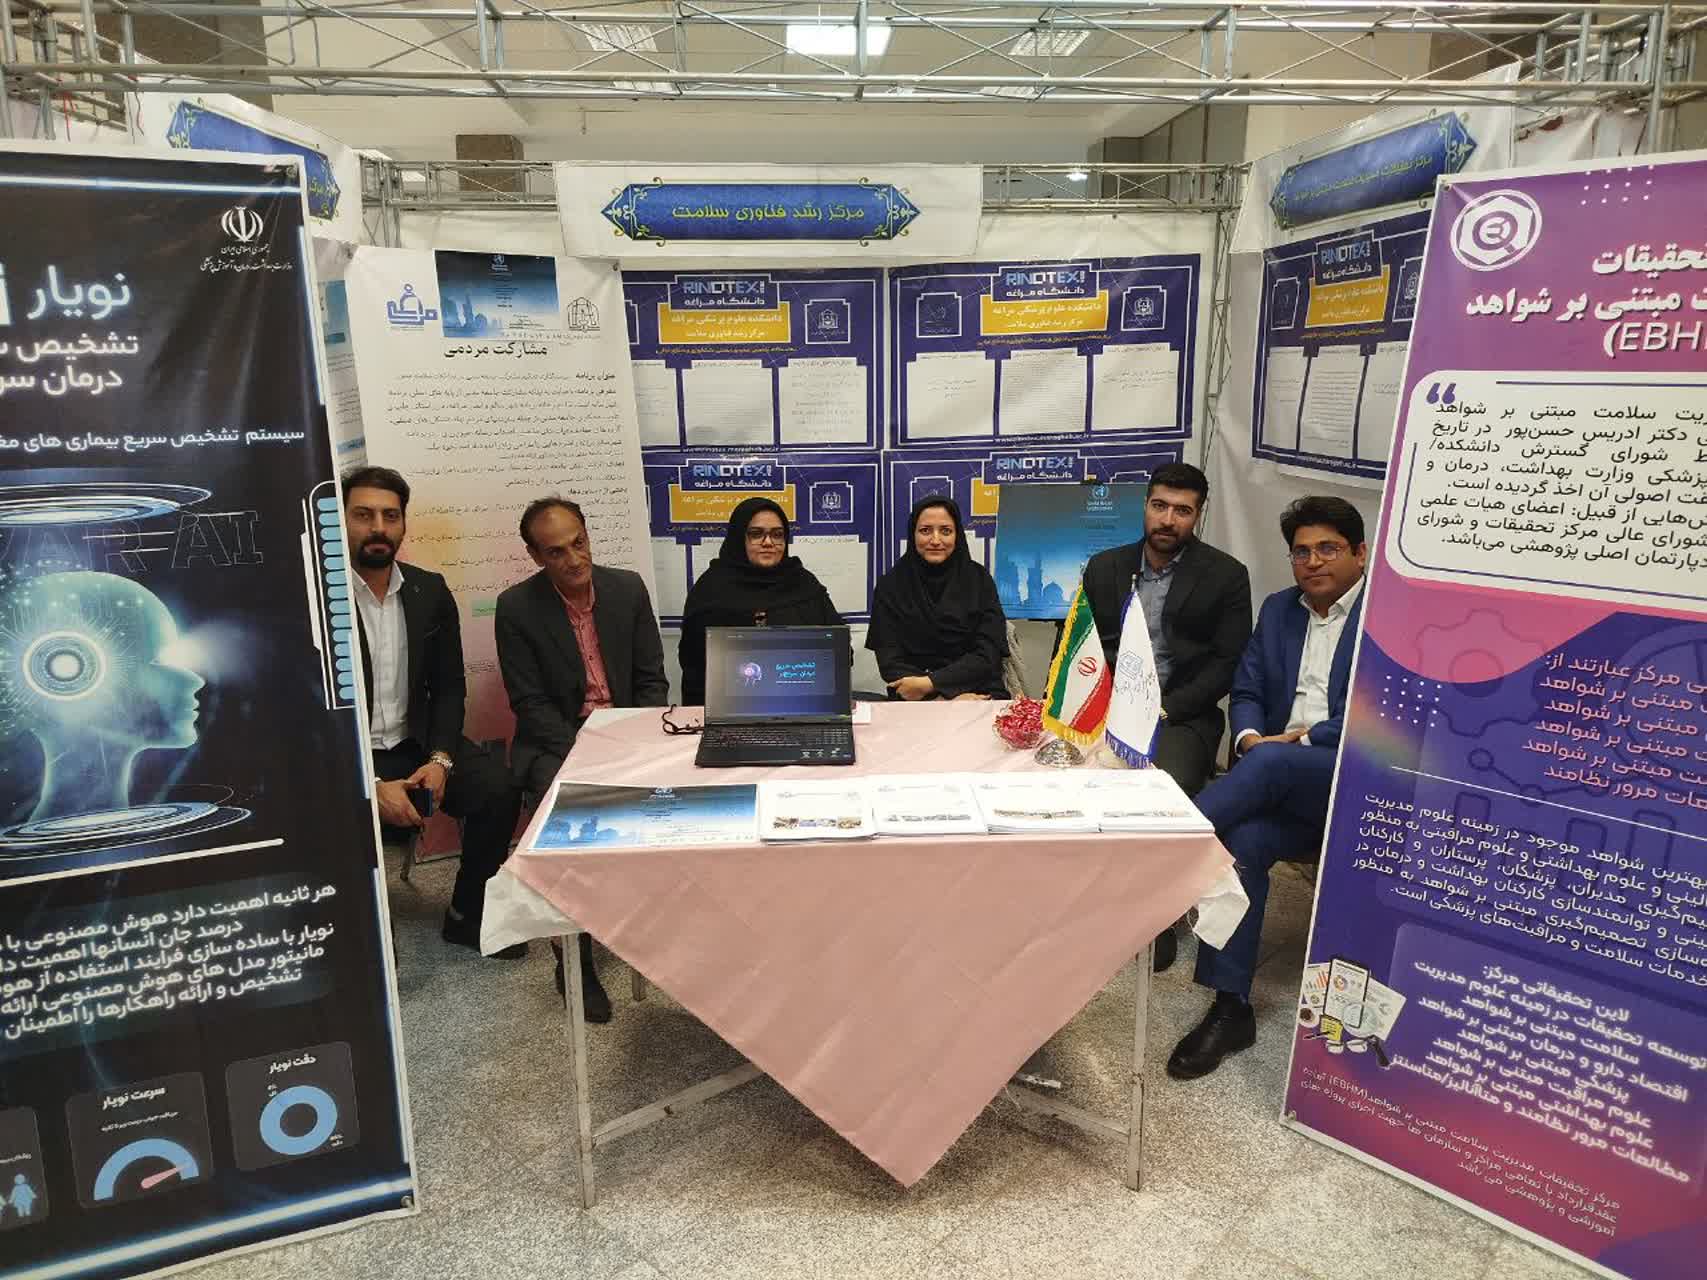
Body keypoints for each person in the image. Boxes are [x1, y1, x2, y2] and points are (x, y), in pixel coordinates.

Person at [1166, 495, 1368, 1081]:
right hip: (1280, 776)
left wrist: (1296, 743)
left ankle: (1163, 845)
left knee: (1273, 765)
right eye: (1301, 552)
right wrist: (1252, 737)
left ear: (1360, 553)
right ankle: (1231, 1008)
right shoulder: (1280, 609)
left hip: (1354, 779)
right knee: (1243, 843)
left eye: (1328, 548)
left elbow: (1384, 712)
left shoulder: (1386, 615)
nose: (1313, 561)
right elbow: (1248, 687)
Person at [495, 496, 669, 1020]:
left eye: (579, 543)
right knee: (567, 830)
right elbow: (529, 703)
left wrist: (632, 741)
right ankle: (574, 958)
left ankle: (656, 936)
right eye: (556, 552)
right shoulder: (516, 608)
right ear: (535, 556)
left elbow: (651, 680)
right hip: (558, 743)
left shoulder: (627, 588)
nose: (574, 559)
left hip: (628, 736)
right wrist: (588, 752)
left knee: (678, 808)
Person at [343, 466, 526, 961]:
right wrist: (368, 783)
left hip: (417, 744)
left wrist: (441, 759)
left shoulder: (428, 591)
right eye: (363, 515)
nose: (378, 527)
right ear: (341, 520)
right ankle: (353, 926)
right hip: (346, 752)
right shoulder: (316, 596)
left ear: (403, 523)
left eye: (390, 516)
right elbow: (307, 711)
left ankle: (468, 914)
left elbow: (447, 687)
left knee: (497, 788)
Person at [1081, 462, 1252, 974]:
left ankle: (1156, 917)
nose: (1168, 520)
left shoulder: (1226, 576)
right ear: (1145, 506)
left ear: (1198, 515)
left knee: (1159, 792)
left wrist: (1165, 709)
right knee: (1068, 779)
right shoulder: (1105, 567)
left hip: (1181, 714)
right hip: (1109, 711)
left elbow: (1226, 664)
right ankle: (1088, 904)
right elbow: (1083, 645)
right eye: (1160, 506)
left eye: (1182, 511)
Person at [678, 497, 845, 706]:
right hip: (729, 709)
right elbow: (693, 668)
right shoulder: (710, 590)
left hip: (802, 704)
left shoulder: (804, 583)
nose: (768, 542)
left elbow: (841, 652)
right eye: (756, 534)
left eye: (777, 534)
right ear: (739, 538)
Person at [867, 495, 1010, 702]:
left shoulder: (979, 580)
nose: (935, 540)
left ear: (957, 535)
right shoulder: (890, 585)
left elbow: (988, 654)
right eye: (925, 531)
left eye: (945, 531)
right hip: (914, 694)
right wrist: (937, 696)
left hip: (978, 691)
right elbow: (890, 661)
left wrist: (934, 684)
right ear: (913, 534)